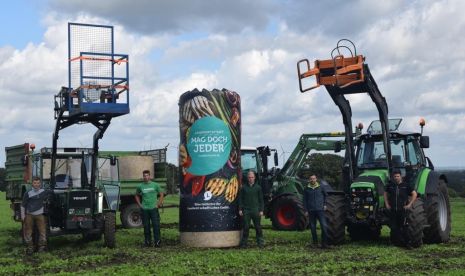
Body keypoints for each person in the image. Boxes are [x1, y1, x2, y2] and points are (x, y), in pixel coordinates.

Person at [384, 169, 417, 246]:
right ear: (393, 177)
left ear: (401, 176)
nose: (396, 178)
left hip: (402, 210)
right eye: (395, 176)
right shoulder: (390, 185)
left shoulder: (406, 185)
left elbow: (414, 194)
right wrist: (387, 204)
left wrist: (409, 204)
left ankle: (408, 243)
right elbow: (385, 193)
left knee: (404, 227)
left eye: (398, 176)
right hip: (393, 210)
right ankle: (395, 242)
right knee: (394, 227)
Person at [135, 170, 164, 247]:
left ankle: (157, 242)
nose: (146, 177)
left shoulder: (155, 185)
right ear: (143, 176)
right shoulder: (140, 186)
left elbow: (161, 194)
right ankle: (147, 242)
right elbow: (137, 195)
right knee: (146, 226)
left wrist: (158, 204)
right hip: (145, 209)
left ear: (150, 176)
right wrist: (140, 205)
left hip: (153, 209)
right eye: (144, 175)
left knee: (156, 225)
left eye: (147, 175)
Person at [21, 177, 50, 255]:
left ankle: (42, 248)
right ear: (32, 184)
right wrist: (23, 215)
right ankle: (30, 248)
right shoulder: (27, 193)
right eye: (35, 183)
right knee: (28, 232)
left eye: (38, 183)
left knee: (42, 232)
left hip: (40, 215)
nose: (36, 185)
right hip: (29, 215)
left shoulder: (43, 191)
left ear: (40, 184)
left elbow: (52, 191)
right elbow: (23, 205)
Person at [238, 170, 264, 248]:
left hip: (256, 210)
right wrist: (240, 209)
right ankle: (244, 243)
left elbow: (261, 200)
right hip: (246, 211)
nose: (251, 179)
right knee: (246, 227)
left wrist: (261, 210)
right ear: (247, 178)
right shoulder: (243, 188)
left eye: (252, 177)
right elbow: (240, 199)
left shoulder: (258, 188)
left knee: (258, 227)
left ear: (254, 178)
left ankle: (260, 243)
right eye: (249, 177)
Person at [303, 174, 329, 249]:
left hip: (320, 210)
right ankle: (315, 243)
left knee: (324, 226)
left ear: (316, 179)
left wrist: (325, 204)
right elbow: (304, 200)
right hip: (311, 211)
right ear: (309, 180)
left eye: (313, 178)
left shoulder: (321, 187)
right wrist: (306, 210)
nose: (312, 180)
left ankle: (324, 243)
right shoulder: (306, 189)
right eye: (311, 179)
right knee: (313, 227)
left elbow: (326, 196)